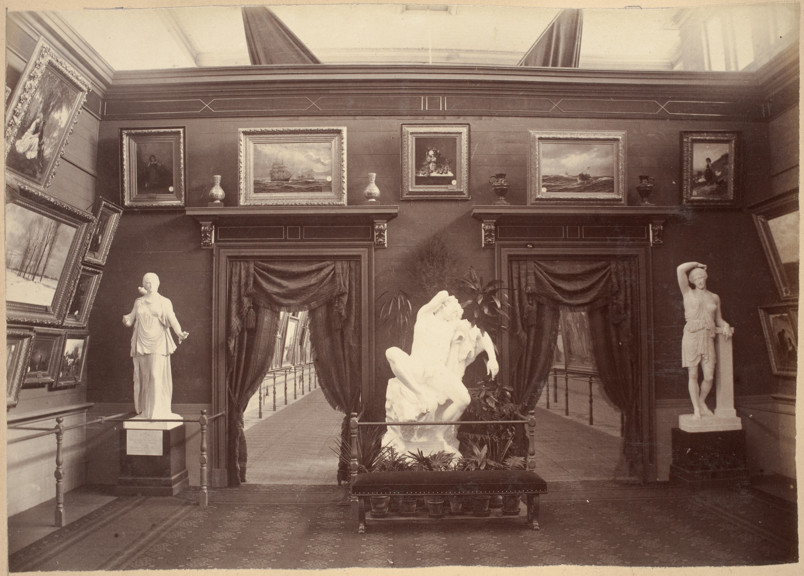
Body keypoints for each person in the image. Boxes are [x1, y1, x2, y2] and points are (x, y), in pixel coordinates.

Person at [385, 290, 498, 424]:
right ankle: (419, 393)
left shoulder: (453, 326)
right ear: (442, 306)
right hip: (417, 366)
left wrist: (492, 358)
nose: (457, 311)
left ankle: (438, 432)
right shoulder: (424, 316)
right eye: (454, 307)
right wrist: (447, 298)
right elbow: (442, 295)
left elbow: (480, 334)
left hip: (437, 372)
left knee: (463, 400)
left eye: (457, 310)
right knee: (391, 352)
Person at [122, 273, 188, 420]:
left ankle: (158, 411)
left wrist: (179, 333)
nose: (149, 285)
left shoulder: (164, 302)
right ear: (143, 284)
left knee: (155, 375)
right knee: (145, 377)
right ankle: (146, 411)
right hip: (142, 341)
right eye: (146, 282)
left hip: (158, 342)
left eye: (152, 282)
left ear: (158, 283)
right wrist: (126, 320)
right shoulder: (138, 302)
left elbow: (172, 318)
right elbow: (131, 318)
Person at [676, 262, 732, 419]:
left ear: (705, 277)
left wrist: (726, 325)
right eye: (695, 278)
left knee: (709, 376)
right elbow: (680, 269)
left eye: (701, 277)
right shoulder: (687, 293)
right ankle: (696, 409)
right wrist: (696, 264)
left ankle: (701, 402)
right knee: (693, 374)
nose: (699, 280)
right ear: (691, 281)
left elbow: (718, 319)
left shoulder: (714, 297)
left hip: (708, 337)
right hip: (692, 336)